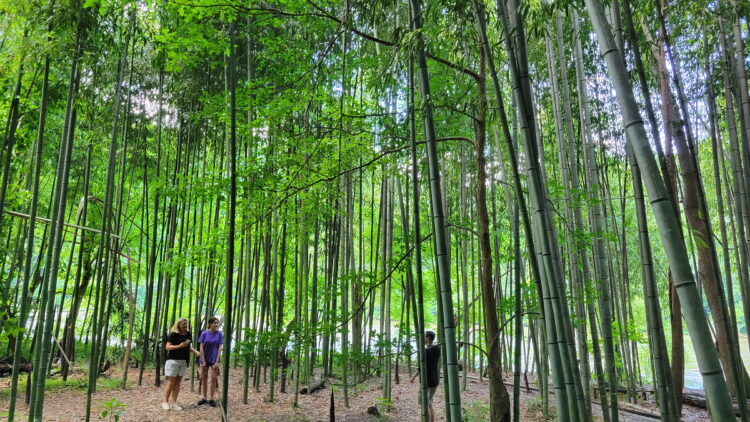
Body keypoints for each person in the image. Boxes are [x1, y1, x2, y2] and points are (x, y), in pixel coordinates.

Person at [162, 318, 199, 411]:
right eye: (183, 324)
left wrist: (195, 351)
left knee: (178, 383)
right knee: (171, 383)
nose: (185, 326)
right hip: (173, 361)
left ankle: (174, 403)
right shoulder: (173, 334)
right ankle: (165, 402)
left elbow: (188, 347)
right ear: (178, 325)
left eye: (186, 324)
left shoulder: (188, 334)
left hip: (183, 361)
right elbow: (167, 347)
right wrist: (179, 346)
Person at [411, 330, 440, 422]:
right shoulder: (437, 349)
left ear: (427, 338)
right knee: (430, 404)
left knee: (424, 404)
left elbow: (422, 368)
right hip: (435, 380)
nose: (422, 338)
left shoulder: (426, 352)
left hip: (426, 381)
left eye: (424, 336)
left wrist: (413, 377)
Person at [197, 316, 223, 408]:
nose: (216, 324)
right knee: (204, 378)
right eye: (214, 323)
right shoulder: (204, 333)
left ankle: (211, 398)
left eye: (217, 323)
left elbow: (220, 348)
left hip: (214, 358)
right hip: (205, 358)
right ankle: (204, 397)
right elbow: (201, 347)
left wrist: (217, 361)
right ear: (209, 324)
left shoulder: (219, 334)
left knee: (213, 378)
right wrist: (202, 360)